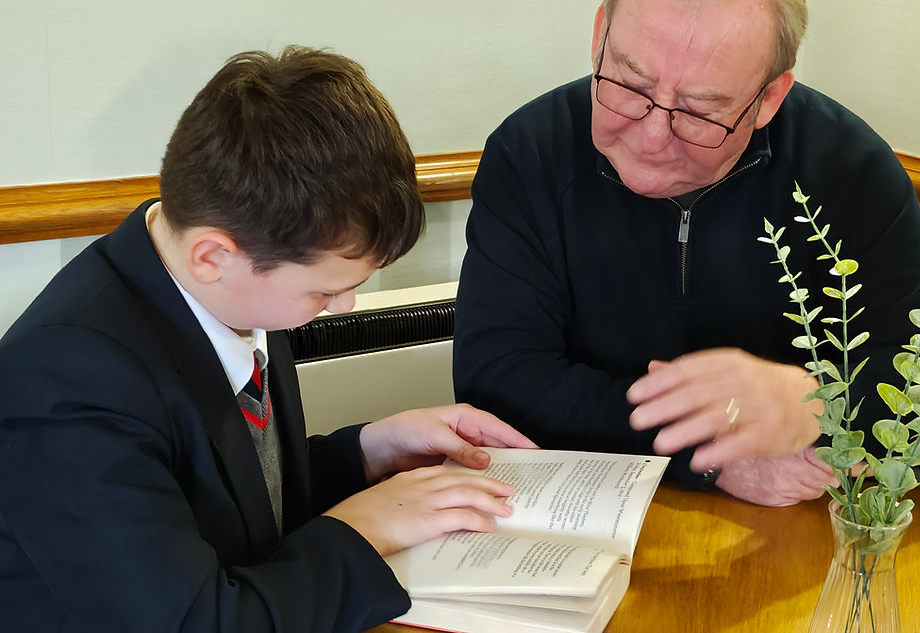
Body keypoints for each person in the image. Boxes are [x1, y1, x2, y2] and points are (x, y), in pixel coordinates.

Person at [0, 46, 536, 633]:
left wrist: (370, 451)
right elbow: (198, 622)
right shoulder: (65, 381)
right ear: (213, 255)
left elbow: (232, 502)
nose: (344, 304)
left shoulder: (235, 290)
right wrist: (368, 527)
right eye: (323, 291)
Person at [453, 0, 920, 507]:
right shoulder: (529, 152)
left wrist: (815, 401)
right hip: (589, 509)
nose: (651, 137)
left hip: (797, 522)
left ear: (769, 98)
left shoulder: (850, 168)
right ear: (600, 36)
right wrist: (708, 457)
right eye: (629, 83)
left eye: (700, 112)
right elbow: (495, 379)